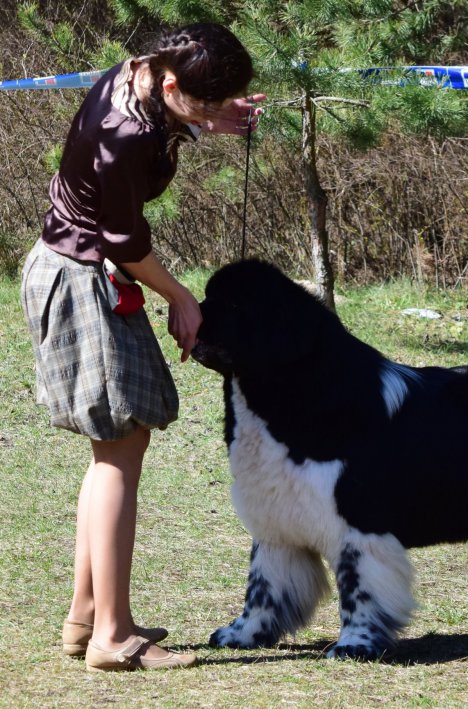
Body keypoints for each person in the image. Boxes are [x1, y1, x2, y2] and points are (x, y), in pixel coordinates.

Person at [20, 23, 265, 672]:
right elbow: (124, 240)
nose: (216, 115)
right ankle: (112, 634)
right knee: (120, 442)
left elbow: (173, 117)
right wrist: (181, 297)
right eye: (206, 102)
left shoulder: (146, 70)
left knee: (118, 443)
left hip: (87, 269)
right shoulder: (126, 132)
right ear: (173, 81)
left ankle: (84, 617)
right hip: (81, 276)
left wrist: (208, 118)